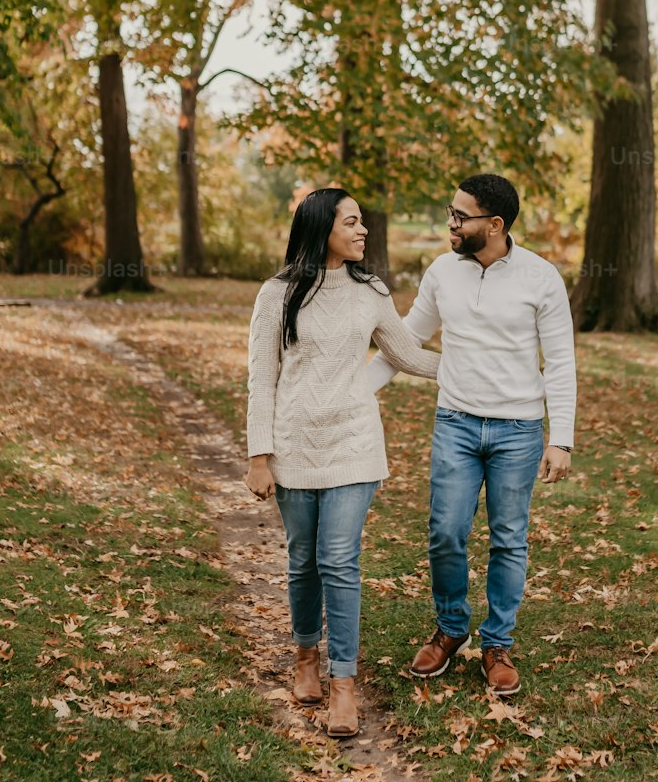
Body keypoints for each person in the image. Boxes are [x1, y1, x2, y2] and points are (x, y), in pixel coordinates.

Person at [366, 173, 576, 696]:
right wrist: (358, 390)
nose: (451, 223)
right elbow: (406, 338)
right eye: (451, 212)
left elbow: (562, 362)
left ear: (496, 225)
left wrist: (561, 438)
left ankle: (497, 644)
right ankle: (451, 629)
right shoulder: (442, 271)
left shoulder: (541, 278)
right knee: (445, 532)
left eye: (461, 216)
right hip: (456, 423)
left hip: (519, 430)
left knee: (508, 539)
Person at [245, 187, 440, 737]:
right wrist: (259, 455)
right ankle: (306, 656)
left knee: (338, 558)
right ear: (320, 227)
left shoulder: (370, 292)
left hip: (354, 444)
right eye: (351, 222)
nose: (363, 231)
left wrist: (476, 369)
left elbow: (405, 353)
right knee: (302, 557)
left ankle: (343, 684)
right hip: (294, 446)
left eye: (361, 222)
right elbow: (263, 377)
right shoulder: (276, 294)